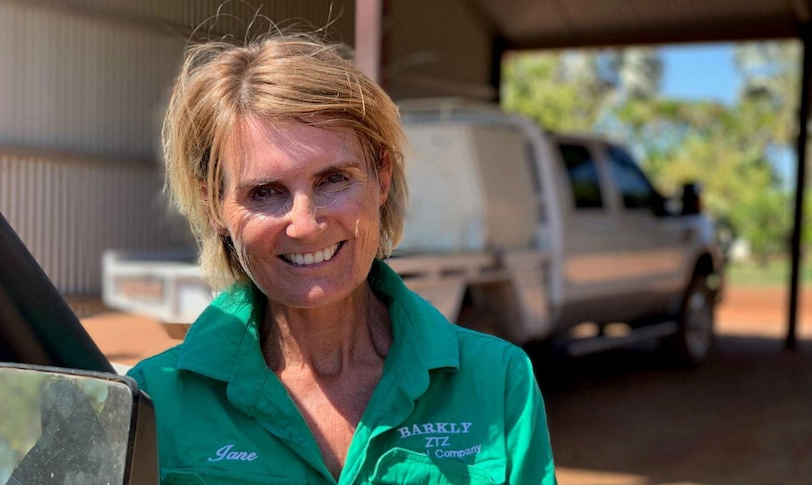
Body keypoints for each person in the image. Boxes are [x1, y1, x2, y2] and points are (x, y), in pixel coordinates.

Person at [128, 32, 557, 484]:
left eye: (333, 179)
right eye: (265, 192)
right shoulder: (153, 401)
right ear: (215, 206)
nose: (306, 223)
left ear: (382, 178)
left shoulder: (498, 381)